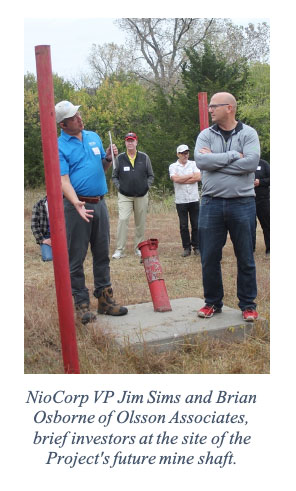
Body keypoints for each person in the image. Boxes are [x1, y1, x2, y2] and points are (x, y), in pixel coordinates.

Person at [55, 100, 128, 324]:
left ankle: (105, 300)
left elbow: (102, 168)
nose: (79, 118)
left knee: (101, 253)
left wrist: (107, 158)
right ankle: (81, 303)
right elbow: (63, 179)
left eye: (78, 113)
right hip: (76, 207)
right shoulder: (59, 146)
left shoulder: (93, 137)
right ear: (63, 124)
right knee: (76, 256)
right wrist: (76, 202)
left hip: (99, 204)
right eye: (73, 117)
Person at [194, 92, 260, 322]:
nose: (210, 109)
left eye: (214, 106)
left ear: (229, 108)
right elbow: (201, 161)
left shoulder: (248, 133)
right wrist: (233, 156)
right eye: (209, 106)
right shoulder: (205, 135)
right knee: (209, 256)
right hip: (211, 203)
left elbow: (251, 163)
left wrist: (216, 163)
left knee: (245, 256)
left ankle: (248, 305)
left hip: (243, 203)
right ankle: (212, 302)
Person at [111, 132, 154, 259]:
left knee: (140, 222)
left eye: (132, 140)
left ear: (136, 142)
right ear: (125, 142)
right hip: (125, 195)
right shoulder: (119, 158)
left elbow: (151, 175)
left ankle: (138, 248)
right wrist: (120, 187)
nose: (130, 143)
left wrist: (146, 186)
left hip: (141, 195)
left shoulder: (144, 157)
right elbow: (114, 176)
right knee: (123, 219)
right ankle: (120, 250)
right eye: (128, 140)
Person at [169, 144, 201, 257]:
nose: (185, 155)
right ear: (178, 154)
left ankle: (197, 247)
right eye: (182, 153)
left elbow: (198, 177)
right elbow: (175, 179)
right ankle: (186, 248)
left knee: (196, 224)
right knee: (183, 225)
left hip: (193, 198)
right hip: (181, 200)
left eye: (186, 153)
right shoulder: (173, 166)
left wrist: (182, 179)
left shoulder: (194, 164)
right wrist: (190, 176)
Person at [254, 158, 270, 255]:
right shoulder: (246, 163)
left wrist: (260, 182)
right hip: (248, 200)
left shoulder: (264, 164)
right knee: (249, 226)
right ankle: (250, 248)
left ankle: (269, 248)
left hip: (262, 200)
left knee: (267, 225)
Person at [31, 196, 52, 261]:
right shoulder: (38, 205)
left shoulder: (65, 203)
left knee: (66, 257)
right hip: (46, 236)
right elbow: (34, 225)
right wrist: (43, 240)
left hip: (62, 237)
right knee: (48, 258)